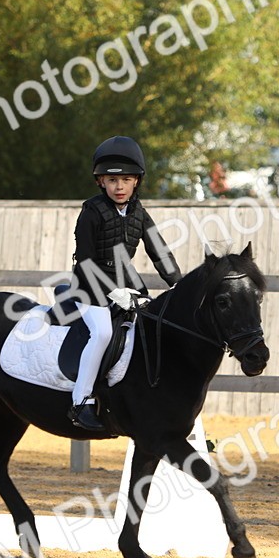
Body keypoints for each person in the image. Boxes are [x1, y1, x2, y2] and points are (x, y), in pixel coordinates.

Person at [68, 136, 182, 431]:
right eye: (112, 180)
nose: (119, 187)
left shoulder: (139, 213)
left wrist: (179, 286)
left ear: (136, 182)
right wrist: (113, 291)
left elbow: (160, 252)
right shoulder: (91, 212)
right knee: (104, 332)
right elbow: (85, 260)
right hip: (89, 288)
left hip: (126, 286)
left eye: (126, 180)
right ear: (100, 182)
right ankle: (81, 403)